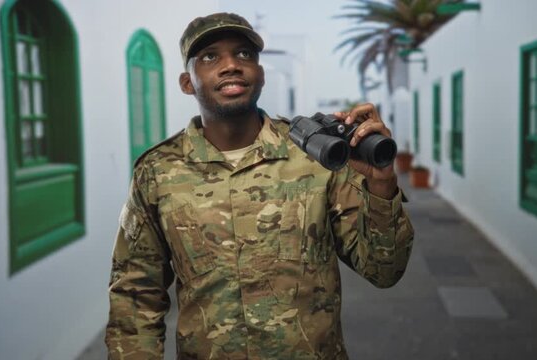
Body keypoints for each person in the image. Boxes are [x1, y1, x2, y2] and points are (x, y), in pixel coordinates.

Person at [105, 12, 414, 360]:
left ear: (261, 74)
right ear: (187, 82)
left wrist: (381, 184)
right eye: (209, 57)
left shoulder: (315, 156)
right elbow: (135, 296)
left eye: (244, 54)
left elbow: (384, 270)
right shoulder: (157, 172)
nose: (231, 65)